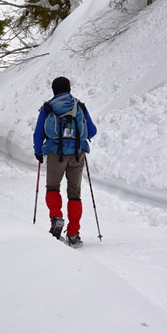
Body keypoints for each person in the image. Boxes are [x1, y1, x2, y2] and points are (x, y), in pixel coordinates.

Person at [33, 76, 97, 248]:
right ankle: (74, 234)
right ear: (69, 88)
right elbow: (92, 131)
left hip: (55, 154)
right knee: (74, 194)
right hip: (77, 155)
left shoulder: (48, 107)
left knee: (53, 188)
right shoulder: (80, 106)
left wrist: (38, 152)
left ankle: (56, 218)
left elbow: (38, 133)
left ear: (53, 90)